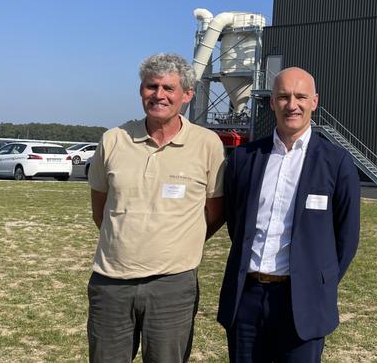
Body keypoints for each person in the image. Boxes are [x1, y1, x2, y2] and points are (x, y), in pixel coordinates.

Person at [87, 53, 225, 363]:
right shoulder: (113, 140)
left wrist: (178, 242)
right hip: (111, 284)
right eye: (151, 86)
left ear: (187, 95)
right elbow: (102, 210)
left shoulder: (207, 144)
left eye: (168, 88)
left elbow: (215, 212)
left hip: (172, 286)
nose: (158, 95)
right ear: (141, 91)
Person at [218, 67, 361, 362]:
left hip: (302, 303)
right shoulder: (245, 159)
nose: (291, 104)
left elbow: (346, 239)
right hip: (247, 299)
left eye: (300, 96)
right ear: (272, 102)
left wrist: (316, 281)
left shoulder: (336, 162)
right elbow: (237, 223)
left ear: (314, 102)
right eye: (283, 96)